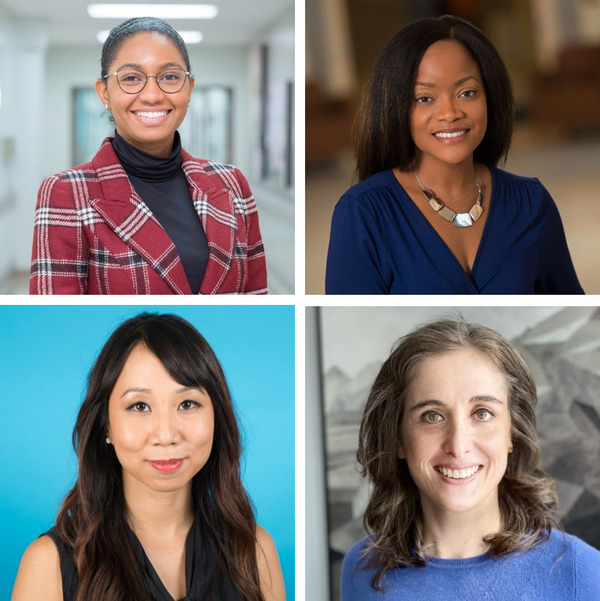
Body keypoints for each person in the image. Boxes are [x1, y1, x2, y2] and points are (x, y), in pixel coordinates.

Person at [12, 313, 285, 601]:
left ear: (217, 416)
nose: (166, 435)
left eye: (188, 403)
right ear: (106, 425)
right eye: (139, 406)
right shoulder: (48, 565)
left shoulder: (255, 551)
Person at [341, 319, 600, 600]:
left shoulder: (582, 573)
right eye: (432, 416)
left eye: (482, 413)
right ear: (398, 439)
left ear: (512, 434)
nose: (458, 445)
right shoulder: (361, 569)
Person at [325, 16, 583, 294]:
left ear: (490, 97)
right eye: (425, 98)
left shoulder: (532, 203)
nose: (450, 113)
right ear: (396, 107)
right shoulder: (363, 213)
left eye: (467, 92)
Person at [30, 18, 267, 295]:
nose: (153, 95)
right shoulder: (65, 192)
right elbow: (59, 312)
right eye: (131, 78)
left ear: (189, 88)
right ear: (104, 92)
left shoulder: (232, 183)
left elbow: (256, 295)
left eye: (170, 77)